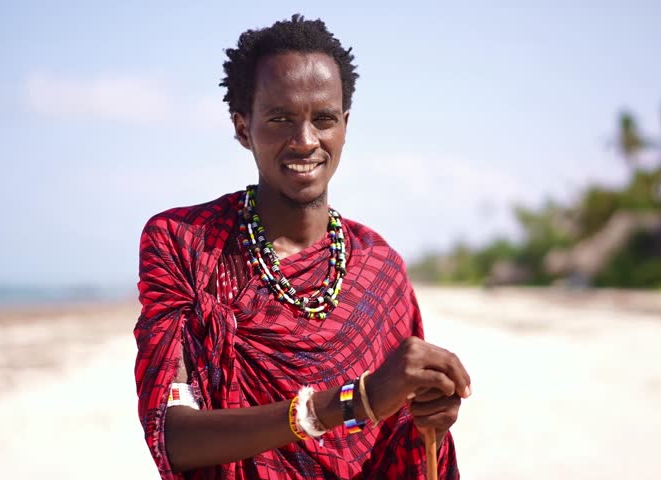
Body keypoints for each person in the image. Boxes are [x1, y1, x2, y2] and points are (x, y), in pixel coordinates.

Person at [134, 14, 472, 479]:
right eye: (280, 118)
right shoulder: (185, 244)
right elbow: (173, 436)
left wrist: (431, 410)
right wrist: (354, 401)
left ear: (345, 126)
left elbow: (404, 439)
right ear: (241, 126)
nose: (305, 141)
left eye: (324, 119)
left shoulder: (380, 269)